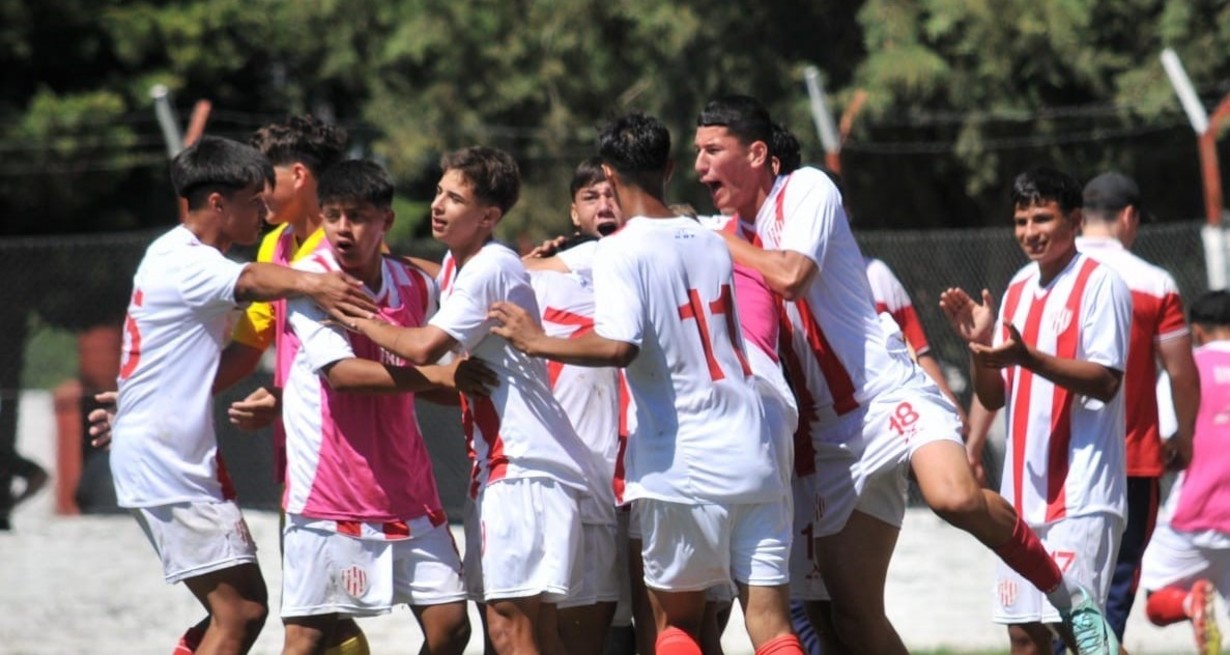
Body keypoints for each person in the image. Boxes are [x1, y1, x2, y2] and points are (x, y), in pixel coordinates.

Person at [695, 95, 1118, 655]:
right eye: (696, 153)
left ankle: (1071, 599)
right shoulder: (721, 232)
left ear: (755, 154)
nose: (700, 166)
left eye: (712, 150)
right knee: (851, 615)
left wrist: (717, 238)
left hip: (886, 392)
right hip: (831, 436)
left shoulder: (805, 189)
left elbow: (793, 275)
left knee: (953, 498)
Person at [490, 112, 805, 655]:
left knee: (674, 627)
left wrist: (535, 341)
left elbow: (620, 345)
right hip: (753, 451)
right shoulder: (711, 241)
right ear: (671, 167)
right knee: (773, 627)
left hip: (682, 462)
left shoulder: (621, 249)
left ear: (609, 174)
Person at [107, 135, 374, 655]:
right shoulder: (190, 261)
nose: (263, 212)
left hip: (171, 454)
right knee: (241, 611)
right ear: (216, 203)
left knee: (237, 611)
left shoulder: (173, 254)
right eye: (253, 202)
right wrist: (317, 285)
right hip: (167, 461)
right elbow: (251, 280)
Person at [338, 145, 594, 655]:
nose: (437, 205)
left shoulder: (488, 267)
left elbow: (421, 347)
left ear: (489, 217)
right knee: (536, 632)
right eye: (438, 192)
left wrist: (354, 314)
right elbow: (433, 292)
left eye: (454, 198)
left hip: (519, 467)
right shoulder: (463, 266)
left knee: (508, 629)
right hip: (520, 467)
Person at [277, 159, 489, 655]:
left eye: (357, 216)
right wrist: (441, 376)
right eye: (332, 216)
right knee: (308, 639)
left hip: (407, 490)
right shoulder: (313, 281)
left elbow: (434, 373)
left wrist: (469, 386)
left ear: (386, 221)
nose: (342, 229)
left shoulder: (414, 284)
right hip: (330, 492)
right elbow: (344, 376)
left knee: (451, 627)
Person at [940, 167, 1132, 654]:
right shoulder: (1019, 287)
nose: (1030, 232)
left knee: (1078, 631)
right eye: (1021, 221)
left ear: (1075, 219)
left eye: (1042, 218)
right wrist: (980, 347)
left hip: (1081, 495)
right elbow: (993, 397)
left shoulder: (1101, 283)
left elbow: (1106, 381)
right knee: (1024, 634)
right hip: (1021, 498)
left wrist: (1029, 359)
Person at [1078, 171, 1200, 642]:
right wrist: (1184, 436)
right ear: (1128, 217)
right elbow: (1180, 371)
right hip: (1129, 462)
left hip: (1055, 462)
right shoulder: (1154, 281)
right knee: (1111, 598)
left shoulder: (1041, 277)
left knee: (1056, 591)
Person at [525, 158, 628, 654]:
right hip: (587, 477)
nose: (604, 204)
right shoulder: (549, 279)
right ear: (572, 213)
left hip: (640, 473)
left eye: (612, 194)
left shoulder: (618, 256)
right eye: (591, 197)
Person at [1139, 290, 1230, 655]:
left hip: (1195, 514)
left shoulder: (1185, 371)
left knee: (1155, 600)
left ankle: (1190, 603)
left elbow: (1163, 441)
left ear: (1197, 331)